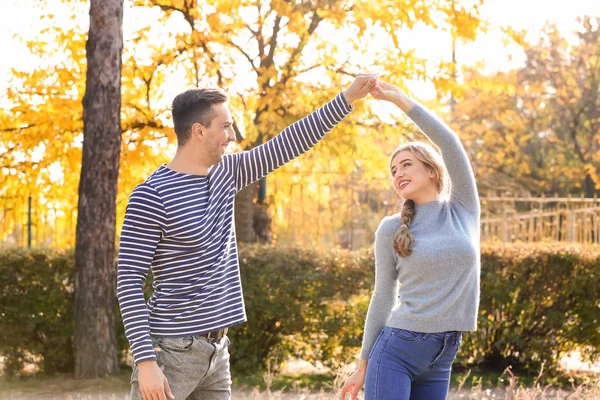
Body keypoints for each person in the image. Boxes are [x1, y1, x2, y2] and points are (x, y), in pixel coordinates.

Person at [117, 74, 377, 400]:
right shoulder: (151, 196)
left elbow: (288, 144)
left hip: (218, 351)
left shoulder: (227, 173)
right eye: (225, 126)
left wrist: (347, 98)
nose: (232, 135)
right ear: (199, 131)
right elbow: (128, 282)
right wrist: (145, 362)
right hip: (171, 354)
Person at [340, 80, 481, 400]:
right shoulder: (391, 228)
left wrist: (403, 102)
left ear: (432, 170)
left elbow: (450, 143)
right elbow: (382, 296)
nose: (398, 173)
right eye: (393, 170)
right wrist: (363, 365)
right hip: (396, 351)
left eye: (406, 164)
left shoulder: (463, 210)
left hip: (443, 353)